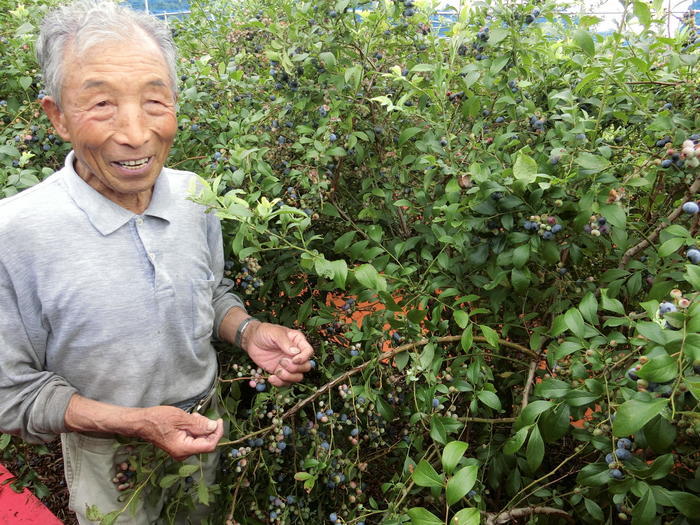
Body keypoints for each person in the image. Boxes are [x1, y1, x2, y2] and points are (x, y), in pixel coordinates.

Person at [0, 0, 314, 522]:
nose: (135, 133)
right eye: (101, 104)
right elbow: (10, 393)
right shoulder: (16, 233)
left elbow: (207, 294)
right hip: (107, 456)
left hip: (205, 425)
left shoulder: (195, 196)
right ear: (56, 116)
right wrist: (137, 424)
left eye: (154, 101)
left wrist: (247, 330)